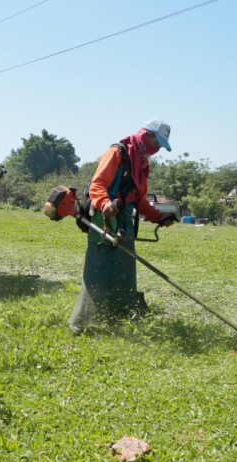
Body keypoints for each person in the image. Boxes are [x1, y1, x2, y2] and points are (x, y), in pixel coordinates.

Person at [69, 120, 176, 333]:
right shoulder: (116, 152)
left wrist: (159, 217)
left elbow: (140, 200)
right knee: (99, 269)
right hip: (104, 217)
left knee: (124, 270)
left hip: (125, 220)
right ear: (146, 135)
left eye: (160, 146)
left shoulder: (143, 164)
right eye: (156, 142)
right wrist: (106, 204)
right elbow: (97, 184)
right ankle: (87, 320)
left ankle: (119, 315)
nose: (156, 149)